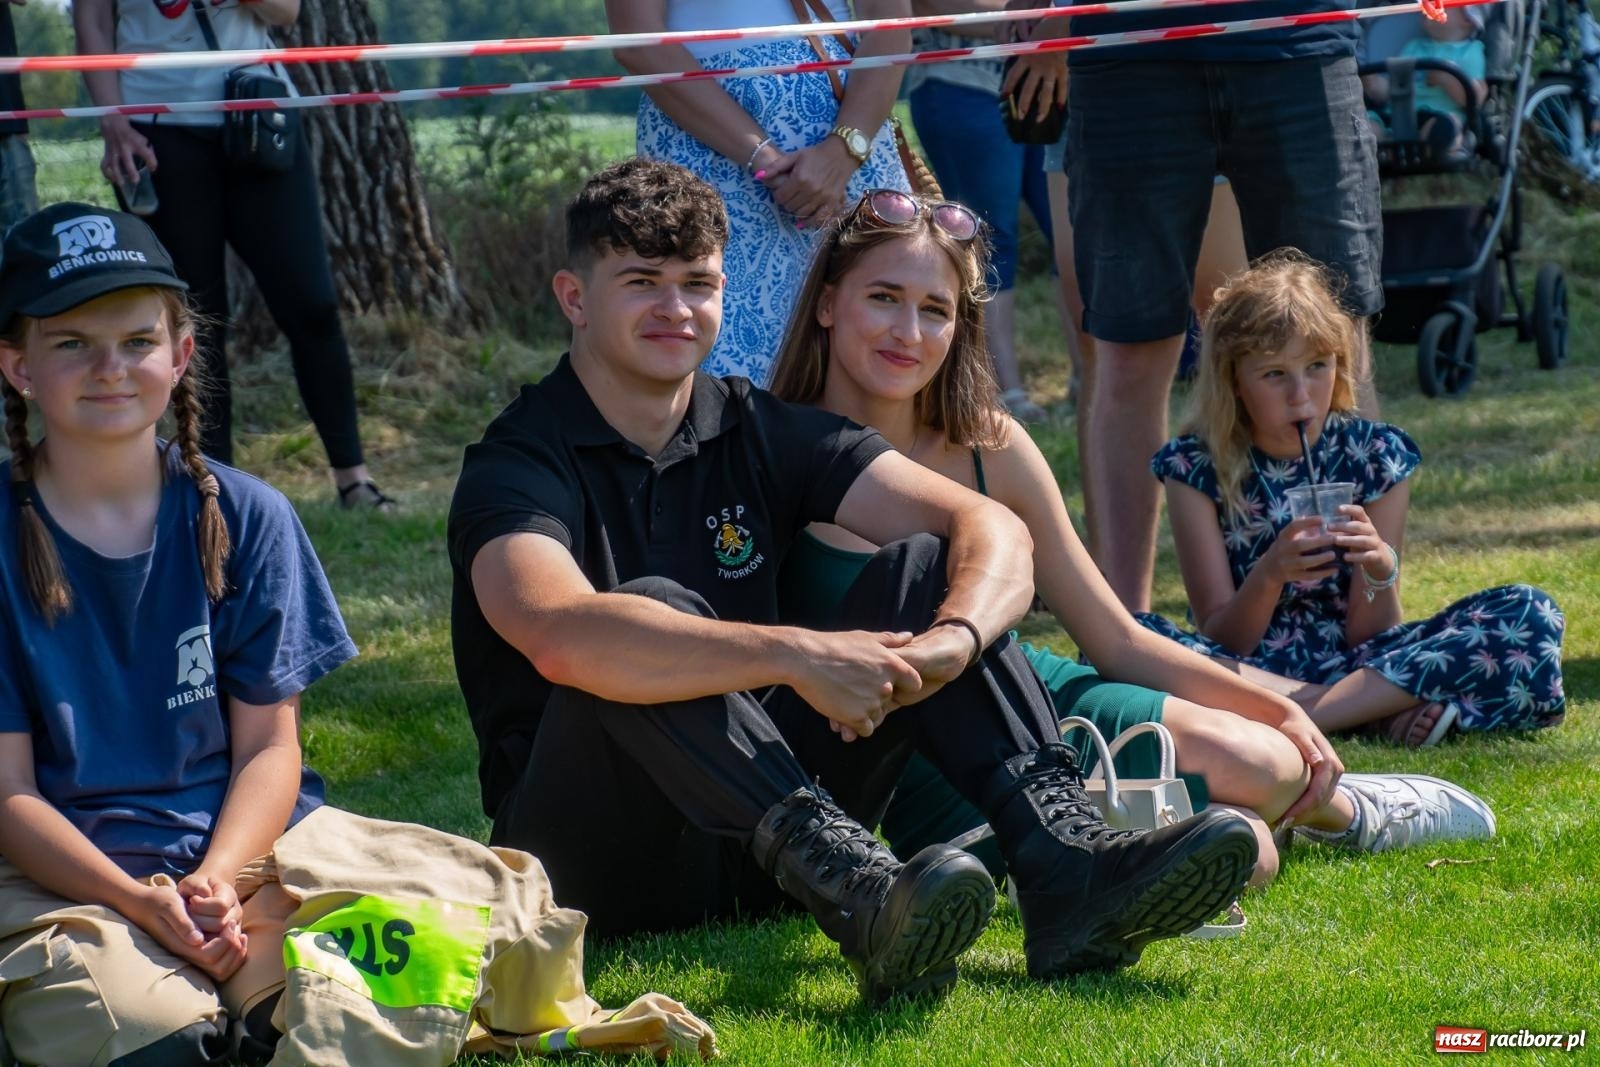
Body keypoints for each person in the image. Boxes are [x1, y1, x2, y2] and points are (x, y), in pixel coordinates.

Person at [448, 159, 1261, 999]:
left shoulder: (756, 427)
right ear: (574, 298)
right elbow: (555, 630)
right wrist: (798, 655)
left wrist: (957, 638)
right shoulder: (518, 459)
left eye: (697, 283)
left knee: (924, 563)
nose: (676, 309)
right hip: (595, 858)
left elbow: (988, 529)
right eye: (642, 282)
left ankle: (1070, 870)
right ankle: (866, 894)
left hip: (764, 847)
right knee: (644, 616)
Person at [0, 203, 717, 1067]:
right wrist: (141, 902)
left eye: (136, 340)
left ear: (182, 354)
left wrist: (216, 883)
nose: (110, 367)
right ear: (18, 367)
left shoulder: (248, 517)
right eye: (72, 343)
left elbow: (270, 748)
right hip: (69, 878)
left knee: (395, 978)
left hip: (244, 862)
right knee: (166, 1045)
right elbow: (9, 797)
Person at [768, 188, 1496, 885]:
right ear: (829, 302)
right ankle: (1193, 826)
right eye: (884, 297)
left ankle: (1352, 810)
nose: (909, 332)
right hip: (891, 755)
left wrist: (1279, 707)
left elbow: (1115, 638)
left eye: (936, 309)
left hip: (1029, 697)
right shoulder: (765, 446)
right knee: (1246, 849)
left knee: (1269, 760)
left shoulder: (989, 446)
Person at [1010, 0, 1385, 613]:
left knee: (1333, 342)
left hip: (1297, 39)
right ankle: (1124, 638)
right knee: (1128, 353)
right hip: (1129, 53)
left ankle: (1366, 627)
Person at [1138, 253, 1566, 746]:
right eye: (1275, 374)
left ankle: (1307, 715)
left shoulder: (1375, 454)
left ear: (1340, 364)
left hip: (1364, 664)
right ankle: (1377, 712)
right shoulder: (1195, 466)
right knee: (1133, 637)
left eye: (1317, 366)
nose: (1301, 395)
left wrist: (1379, 568)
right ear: (1234, 380)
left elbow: (1371, 636)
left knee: (1530, 613)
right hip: (1246, 669)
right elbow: (1223, 638)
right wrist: (1271, 572)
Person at [72, 0, 393, 509]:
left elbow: (285, 12)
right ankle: (211, 486)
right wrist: (112, 118)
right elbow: (91, 20)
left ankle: (353, 479)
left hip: (257, 110)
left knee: (311, 303)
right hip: (156, 126)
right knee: (196, 319)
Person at [608, 0, 913, 384]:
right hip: (707, 151)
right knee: (723, 360)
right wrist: (764, 158)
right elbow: (639, 42)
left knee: (876, 344)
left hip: (853, 134)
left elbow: (891, 22)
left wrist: (844, 149)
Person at [906, 0, 1056, 422]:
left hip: (1048, 75)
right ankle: (1000, 393)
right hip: (959, 83)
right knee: (989, 240)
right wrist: (1029, 17)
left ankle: (1088, 378)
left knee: (1072, 230)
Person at [1364, 7, 1488, 156]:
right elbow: (1394, 85)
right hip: (1397, 115)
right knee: (1367, 124)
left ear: (1467, 18)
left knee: (1449, 124)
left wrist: (1446, 79)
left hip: (1437, 116)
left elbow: (1475, 98)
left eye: (1437, 3)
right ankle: (1373, 145)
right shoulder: (1415, 47)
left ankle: (1431, 145)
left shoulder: (1471, 51)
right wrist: (1373, 84)